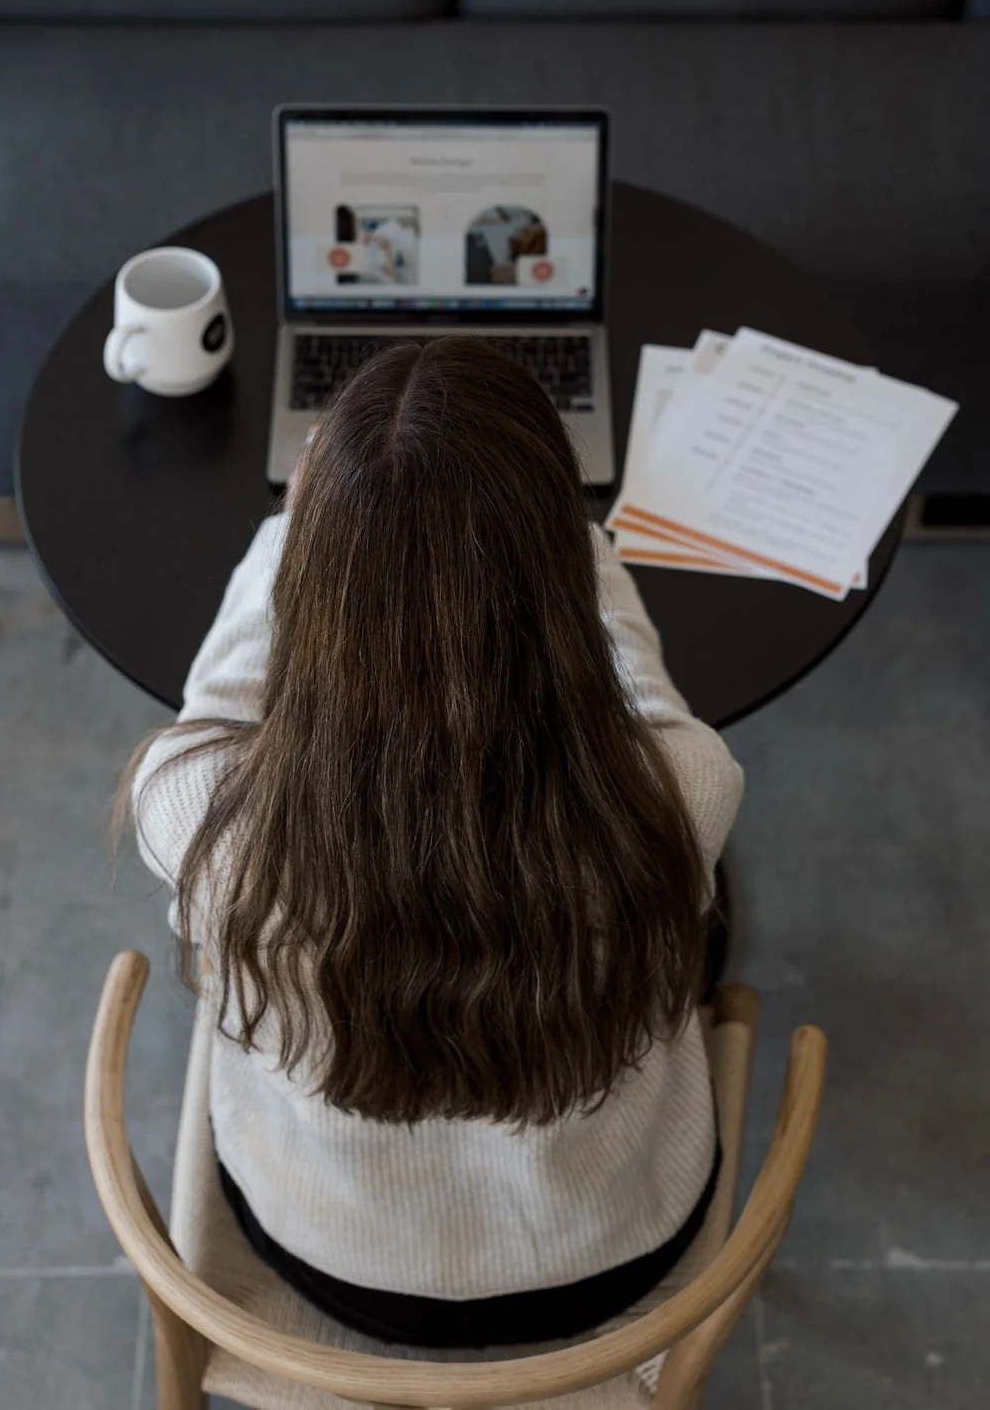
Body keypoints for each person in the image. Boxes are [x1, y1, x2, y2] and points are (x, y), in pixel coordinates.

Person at [118, 337, 744, 1351]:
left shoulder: (198, 810)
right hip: (612, 1249)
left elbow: (219, 697)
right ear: (553, 563)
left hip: (324, 1247)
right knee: (702, 899)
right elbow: (629, 672)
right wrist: (560, 534)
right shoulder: (681, 787)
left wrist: (301, 526)